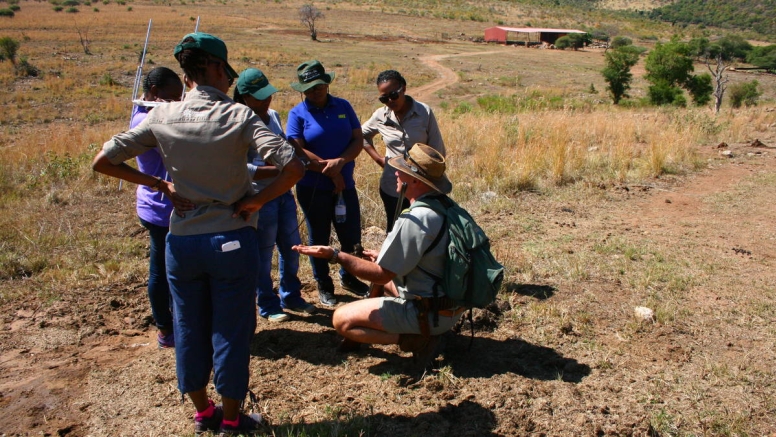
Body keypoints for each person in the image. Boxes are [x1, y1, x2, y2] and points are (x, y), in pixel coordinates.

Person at [92, 32, 304, 436]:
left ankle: (202, 411)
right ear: (211, 68)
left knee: (188, 325)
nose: (228, 79)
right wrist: (257, 202)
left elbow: (103, 160)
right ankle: (229, 417)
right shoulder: (239, 117)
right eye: (226, 70)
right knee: (232, 328)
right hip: (231, 237)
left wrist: (160, 185)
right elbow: (293, 166)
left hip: (182, 241)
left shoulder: (160, 115)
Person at [293, 144, 465, 369]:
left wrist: (336, 255)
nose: (395, 173)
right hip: (451, 303)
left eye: (402, 171)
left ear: (414, 181)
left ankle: (417, 339)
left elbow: (381, 275)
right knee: (379, 279)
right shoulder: (445, 206)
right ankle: (425, 330)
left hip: (431, 313)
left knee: (341, 320)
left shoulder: (416, 219)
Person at [233, 68, 317, 322]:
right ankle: (268, 304)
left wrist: (296, 162)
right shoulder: (236, 122)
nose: (266, 101)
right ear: (244, 97)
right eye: (259, 97)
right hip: (260, 196)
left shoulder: (272, 116)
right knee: (263, 251)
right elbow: (241, 169)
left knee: (291, 248)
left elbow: (281, 146)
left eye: (267, 95)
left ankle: (291, 295)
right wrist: (279, 170)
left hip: (283, 193)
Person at [286, 59, 369, 306]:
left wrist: (341, 163)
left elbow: (358, 140)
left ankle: (349, 276)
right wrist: (331, 171)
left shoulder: (343, 106)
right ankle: (324, 284)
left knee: (351, 234)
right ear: (302, 89)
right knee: (319, 237)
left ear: (327, 83)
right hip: (314, 187)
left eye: (319, 85)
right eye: (309, 87)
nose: (315, 90)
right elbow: (297, 149)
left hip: (345, 186)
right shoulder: (297, 114)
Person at [130, 67, 183, 348]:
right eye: (171, 97)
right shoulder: (148, 119)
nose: (176, 102)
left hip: (165, 206)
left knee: (170, 268)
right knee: (162, 272)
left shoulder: (155, 112)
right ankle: (165, 328)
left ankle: (174, 322)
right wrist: (160, 184)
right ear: (153, 93)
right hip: (161, 208)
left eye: (180, 97)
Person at [361, 70, 445, 232]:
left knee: (423, 231)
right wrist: (379, 160)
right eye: (384, 98)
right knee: (395, 230)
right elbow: (361, 135)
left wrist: (432, 183)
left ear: (404, 88)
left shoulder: (424, 112)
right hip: (393, 185)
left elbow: (437, 150)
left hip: (422, 185)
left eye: (393, 95)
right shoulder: (380, 116)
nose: (390, 101)